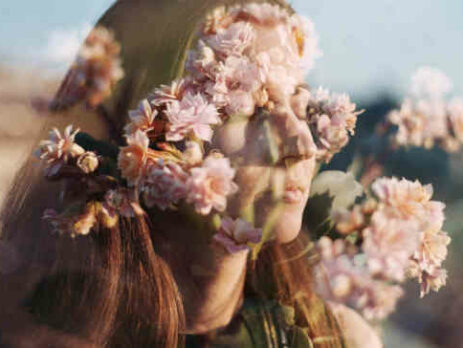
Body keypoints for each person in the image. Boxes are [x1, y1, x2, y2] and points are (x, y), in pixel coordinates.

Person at [0, 0, 382, 347]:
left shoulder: (338, 341)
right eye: (251, 110)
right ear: (146, 135)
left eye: (301, 104)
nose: (302, 144)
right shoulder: (34, 332)